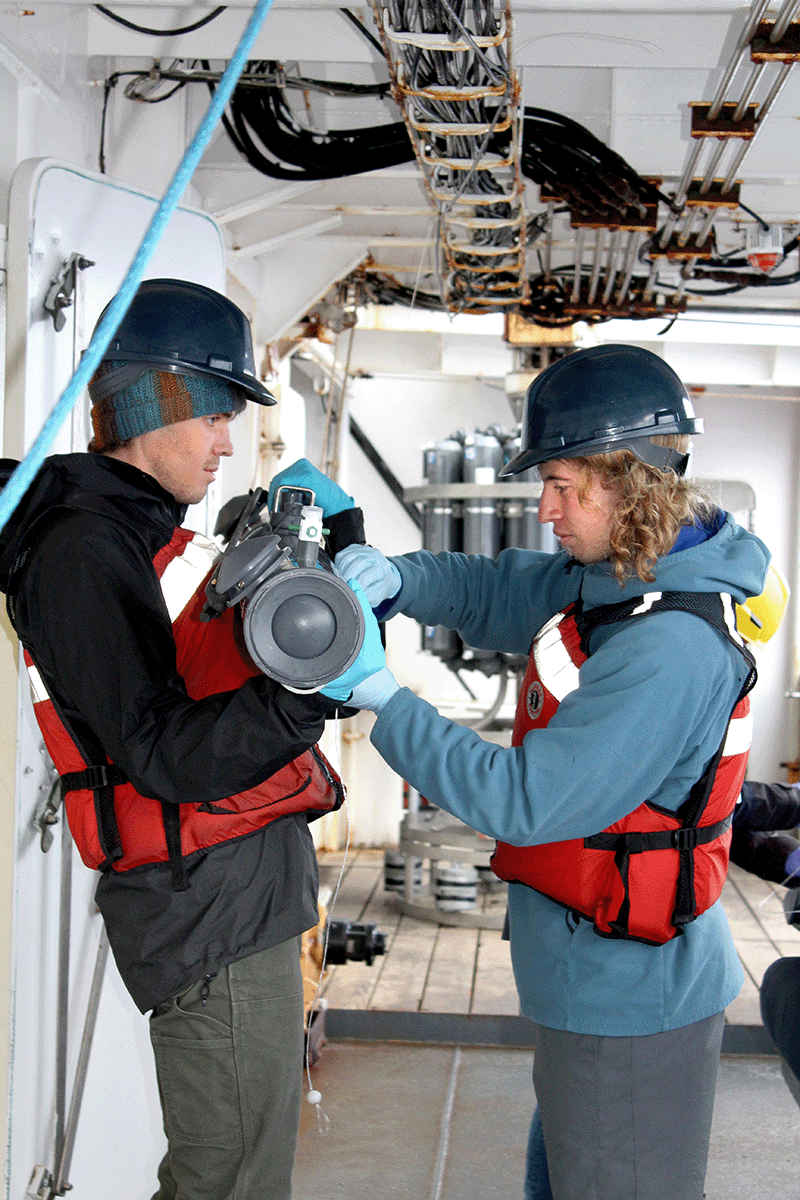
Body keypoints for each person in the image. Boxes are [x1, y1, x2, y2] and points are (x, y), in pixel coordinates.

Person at [271, 343, 770, 1200]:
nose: (543, 508)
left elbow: (526, 800)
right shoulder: (620, 579)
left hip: (631, 1000)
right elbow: (500, 591)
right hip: (590, 986)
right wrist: (398, 577)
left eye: (563, 487)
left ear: (633, 484)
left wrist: (386, 702)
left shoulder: (670, 648)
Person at [0, 278, 382, 1200]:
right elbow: (164, 753)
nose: (226, 442)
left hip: (230, 897)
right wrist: (308, 687)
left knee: (238, 1166)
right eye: (213, 414)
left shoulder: (138, 535)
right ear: (148, 399)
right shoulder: (85, 551)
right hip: (209, 914)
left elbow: (185, 685)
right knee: (231, 1177)